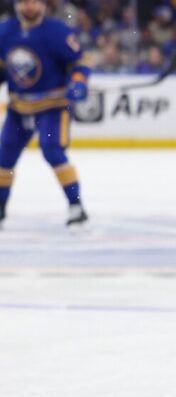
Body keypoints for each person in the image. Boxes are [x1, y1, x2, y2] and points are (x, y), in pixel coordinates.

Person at [0, 0, 90, 229]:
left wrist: (79, 82)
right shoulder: (5, 31)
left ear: (42, 5)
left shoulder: (57, 32)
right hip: (19, 109)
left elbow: (80, 62)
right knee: (4, 159)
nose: (29, 6)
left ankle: (76, 207)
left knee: (53, 151)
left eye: (34, 1)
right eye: (24, 1)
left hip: (53, 107)